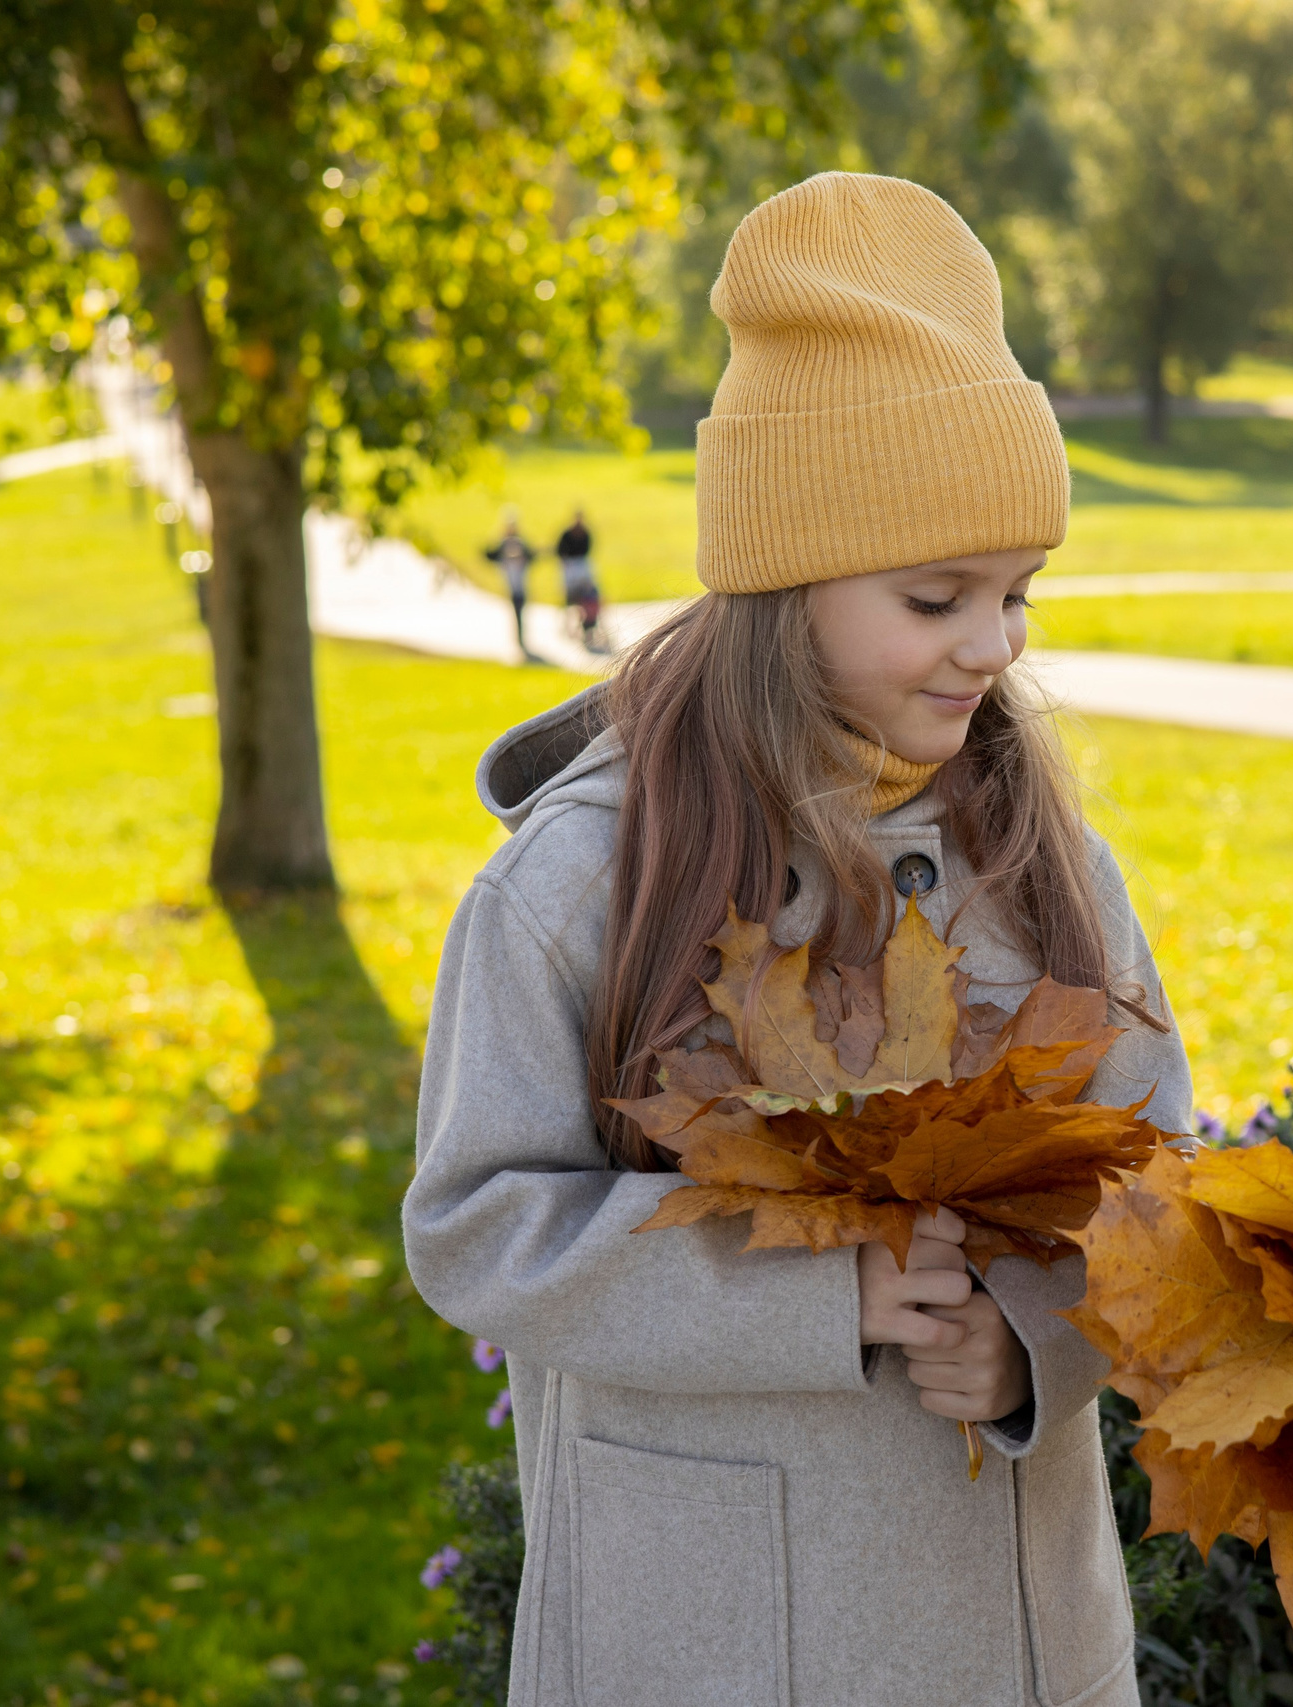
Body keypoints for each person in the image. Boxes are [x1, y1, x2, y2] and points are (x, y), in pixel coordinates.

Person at [403, 173, 1189, 1707]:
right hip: (699, 1635)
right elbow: (479, 1223)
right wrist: (819, 1293)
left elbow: (1155, 1182)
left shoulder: (1040, 862)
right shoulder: (584, 878)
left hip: (1012, 1637)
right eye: (935, 595)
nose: (994, 643)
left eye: (1017, 594)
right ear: (781, 581)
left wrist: (1037, 1343)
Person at [484, 514, 537, 657]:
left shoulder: (521, 543)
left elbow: (532, 556)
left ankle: (521, 636)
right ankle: (518, 637)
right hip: (510, 582)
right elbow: (489, 555)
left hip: (520, 582)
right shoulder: (503, 544)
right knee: (516, 610)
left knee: (520, 609)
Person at [556, 508, 605, 652]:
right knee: (569, 601)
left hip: (580, 567)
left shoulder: (585, 533)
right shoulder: (567, 534)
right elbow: (561, 552)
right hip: (570, 568)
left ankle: (587, 625)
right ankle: (567, 626)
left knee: (588, 599)